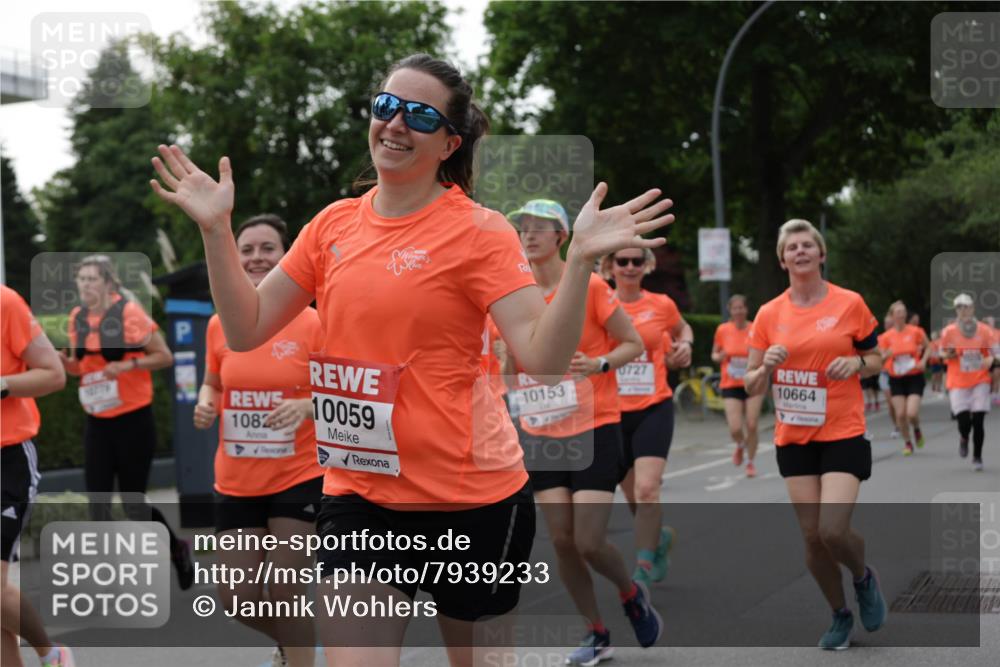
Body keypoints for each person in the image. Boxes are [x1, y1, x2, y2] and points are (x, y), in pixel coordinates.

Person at [151, 53, 674, 667]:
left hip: (471, 500)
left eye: (420, 115)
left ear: (450, 142)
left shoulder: (480, 232)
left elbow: (541, 356)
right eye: (386, 106)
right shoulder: (331, 226)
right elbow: (245, 329)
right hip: (359, 497)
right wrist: (216, 231)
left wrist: (581, 260)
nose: (395, 124)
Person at [508, 200, 662, 665]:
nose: (529, 235)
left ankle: (629, 591)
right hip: (540, 430)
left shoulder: (591, 286)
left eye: (539, 228)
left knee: (588, 541)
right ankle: (596, 631)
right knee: (560, 541)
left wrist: (598, 364)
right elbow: (513, 370)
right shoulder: (513, 293)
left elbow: (633, 343)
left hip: (594, 426)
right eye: (523, 228)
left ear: (562, 236)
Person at [743, 219, 887, 651]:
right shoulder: (769, 314)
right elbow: (748, 383)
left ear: (821, 255)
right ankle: (840, 614)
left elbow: (878, 356)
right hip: (794, 435)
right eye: (793, 247)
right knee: (811, 536)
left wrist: (858, 365)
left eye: (809, 245)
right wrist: (765, 366)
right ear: (782, 258)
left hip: (843, 429)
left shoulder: (850, 304)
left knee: (833, 530)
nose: (801, 252)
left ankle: (863, 577)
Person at [193, 215, 324, 667]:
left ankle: (301, 653)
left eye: (267, 248)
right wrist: (206, 401)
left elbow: (344, 390)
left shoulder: (313, 323)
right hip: (236, 480)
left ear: (286, 256)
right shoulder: (219, 325)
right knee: (237, 597)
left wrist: (307, 407)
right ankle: (298, 641)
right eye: (246, 249)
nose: (255, 258)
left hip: (299, 474)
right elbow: (213, 382)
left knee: (288, 589)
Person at [57, 255, 193, 589]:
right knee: (98, 502)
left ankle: (176, 550)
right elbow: (80, 366)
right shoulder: (78, 317)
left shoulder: (129, 314)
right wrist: (65, 363)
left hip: (133, 420)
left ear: (108, 283)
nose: (85, 285)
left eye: (92, 279)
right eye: (81, 279)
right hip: (98, 420)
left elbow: (164, 356)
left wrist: (128, 367)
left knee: (133, 503)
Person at [599, 246, 689, 588]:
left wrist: (686, 346)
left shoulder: (661, 305)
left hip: (654, 406)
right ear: (610, 266)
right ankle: (658, 538)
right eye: (623, 261)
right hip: (611, 411)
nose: (631, 266)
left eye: (638, 260)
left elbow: (684, 331)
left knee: (648, 488)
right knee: (635, 496)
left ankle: (643, 565)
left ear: (646, 266)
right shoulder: (598, 302)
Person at [1, 287, 75, 666]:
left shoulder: (5, 303)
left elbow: (54, 374)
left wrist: (3, 384)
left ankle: (52, 653)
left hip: (7, 459)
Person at [711, 294, 765, 477]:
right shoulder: (722, 330)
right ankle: (741, 445)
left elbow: (763, 352)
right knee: (735, 427)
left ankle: (750, 462)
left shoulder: (755, 328)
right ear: (730, 310)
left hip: (753, 382)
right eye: (735, 308)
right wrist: (720, 357)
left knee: (751, 424)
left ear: (746, 309)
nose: (738, 311)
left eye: (741, 307)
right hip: (731, 383)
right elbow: (714, 354)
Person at [939, 294, 994, 471]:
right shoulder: (949, 331)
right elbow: (942, 353)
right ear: (956, 311)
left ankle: (977, 456)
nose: (963, 310)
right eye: (959, 307)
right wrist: (949, 354)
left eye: (966, 307)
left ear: (973, 309)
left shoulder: (985, 330)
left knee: (978, 420)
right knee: (964, 422)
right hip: (957, 381)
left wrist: (992, 360)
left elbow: (995, 353)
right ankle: (964, 437)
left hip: (980, 380)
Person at [877, 302, 929, 456]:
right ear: (892, 316)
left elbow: (929, 346)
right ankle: (908, 442)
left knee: (911, 413)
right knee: (900, 414)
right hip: (896, 378)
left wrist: (923, 361)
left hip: (914, 377)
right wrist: (888, 354)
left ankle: (917, 430)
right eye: (898, 312)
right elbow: (881, 357)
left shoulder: (916, 331)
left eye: (903, 311)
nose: (901, 314)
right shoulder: (886, 337)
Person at [879, 314, 898, 438]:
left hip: (900, 374)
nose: (889, 326)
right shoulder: (881, 338)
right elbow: (878, 358)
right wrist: (886, 354)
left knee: (900, 403)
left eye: (891, 324)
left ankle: (902, 421)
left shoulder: (899, 336)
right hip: (885, 373)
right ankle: (897, 426)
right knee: (891, 403)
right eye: (887, 324)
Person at [928, 330, 945, 396]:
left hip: (939, 360)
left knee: (939, 374)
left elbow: (941, 350)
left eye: (935, 336)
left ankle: (938, 387)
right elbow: (929, 353)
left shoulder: (938, 343)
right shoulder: (930, 344)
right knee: (935, 374)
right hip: (933, 361)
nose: (934, 337)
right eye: (933, 336)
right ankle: (934, 386)